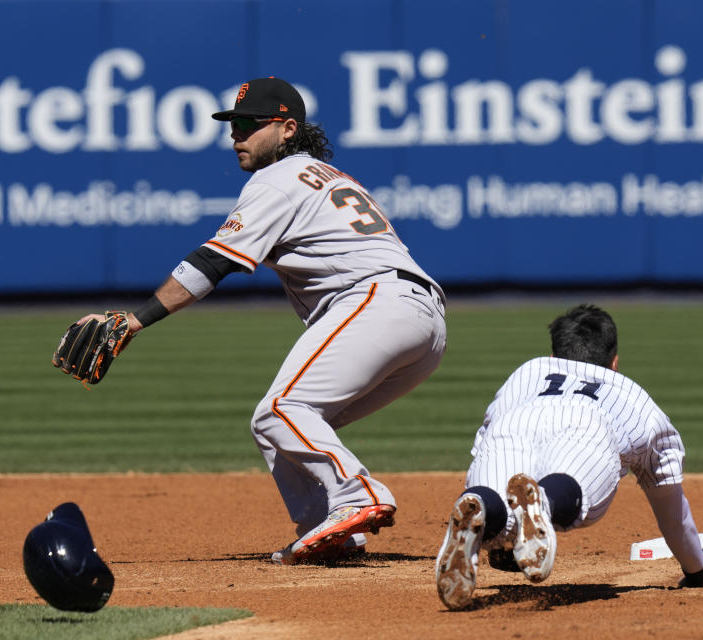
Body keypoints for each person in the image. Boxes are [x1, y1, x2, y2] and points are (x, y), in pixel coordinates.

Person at [72, 77, 447, 565]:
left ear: (288, 128)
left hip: (378, 301)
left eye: (250, 125)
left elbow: (214, 262)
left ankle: (357, 496)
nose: (237, 136)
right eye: (233, 126)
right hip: (422, 319)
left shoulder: (277, 179)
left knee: (281, 410)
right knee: (275, 423)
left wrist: (134, 321)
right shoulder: (328, 175)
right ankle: (328, 531)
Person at [434, 304, 703, 610]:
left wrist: (503, 536)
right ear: (614, 363)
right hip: (588, 426)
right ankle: (544, 504)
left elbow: (485, 439)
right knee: (565, 494)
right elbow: (673, 510)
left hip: (516, 422)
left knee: (496, 499)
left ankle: (483, 507)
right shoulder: (636, 400)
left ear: (554, 358)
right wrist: (698, 572)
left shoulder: (528, 372)